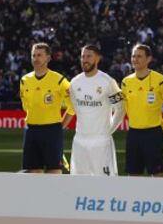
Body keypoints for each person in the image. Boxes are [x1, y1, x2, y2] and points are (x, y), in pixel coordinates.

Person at [121, 44, 163, 177]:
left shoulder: (160, 80)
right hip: (133, 133)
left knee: (158, 176)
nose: (135, 59)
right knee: (133, 175)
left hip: (153, 133)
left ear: (148, 59)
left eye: (139, 56)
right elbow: (123, 105)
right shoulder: (125, 82)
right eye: (133, 56)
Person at [19, 42, 74, 174]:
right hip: (31, 130)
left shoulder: (59, 80)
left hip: (52, 130)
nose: (36, 58)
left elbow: (73, 105)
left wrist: (61, 126)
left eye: (39, 55)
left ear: (48, 58)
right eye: (33, 55)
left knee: (54, 170)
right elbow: (25, 105)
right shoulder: (24, 80)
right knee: (33, 171)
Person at [69, 45, 124, 176]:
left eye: (89, 56)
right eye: (83, 56)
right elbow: (76, 107)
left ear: (97, 59)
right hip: (79, 141)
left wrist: (109, 130)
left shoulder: (109, 81)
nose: (85, 60)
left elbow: (120, 108)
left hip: (101, 142)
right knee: (78, 184)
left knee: (105, 185)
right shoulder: (74, 82)